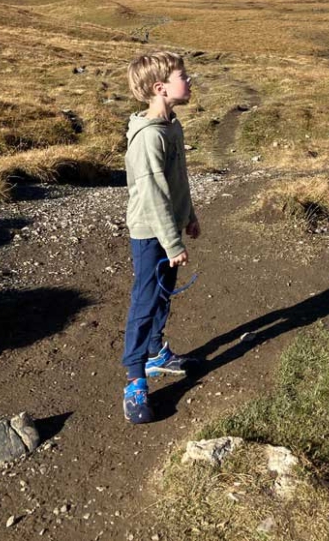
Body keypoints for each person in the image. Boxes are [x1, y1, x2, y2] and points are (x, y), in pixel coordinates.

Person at [121, 50, 201, 425]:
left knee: (164, 293)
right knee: (145, 300)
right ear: (161, 88)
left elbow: (177, 182)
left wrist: (189, 216)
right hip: (151, 234)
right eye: (183, 76)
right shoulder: (149, 137)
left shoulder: (173, 125)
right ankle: (135, 379)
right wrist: (172, 243)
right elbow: (153, 194)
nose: (190, 81)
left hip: (168, 227)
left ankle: (155, 353)